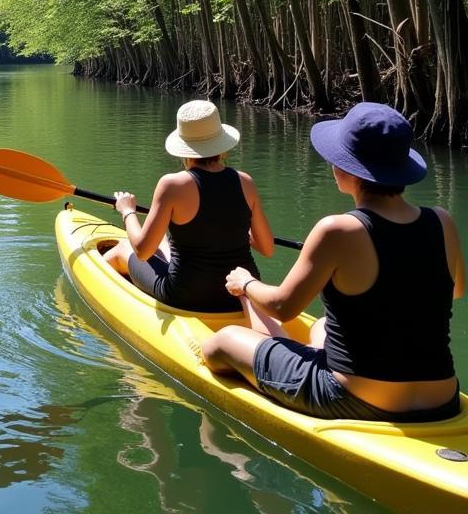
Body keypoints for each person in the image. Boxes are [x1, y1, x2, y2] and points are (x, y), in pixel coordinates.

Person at [202, 102, 464, 422]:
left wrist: (246, 283)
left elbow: (283, 307)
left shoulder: (337, 229)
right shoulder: (443, 221)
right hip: (443, 399)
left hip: (351, 399)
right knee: (324, 326)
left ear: (345, 169)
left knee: (221, 343)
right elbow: (454, 292)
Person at [102, 100, 275, 312]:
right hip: (239, 294)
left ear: (184, 149)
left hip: (187, 296)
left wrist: (127, 211)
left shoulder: (172, 184)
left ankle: (106, 301)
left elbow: (143, 251)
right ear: (221, 147)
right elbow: (267, 247)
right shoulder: (245, 181)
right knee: (165, 241)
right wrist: (230, 227)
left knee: (123, 248)